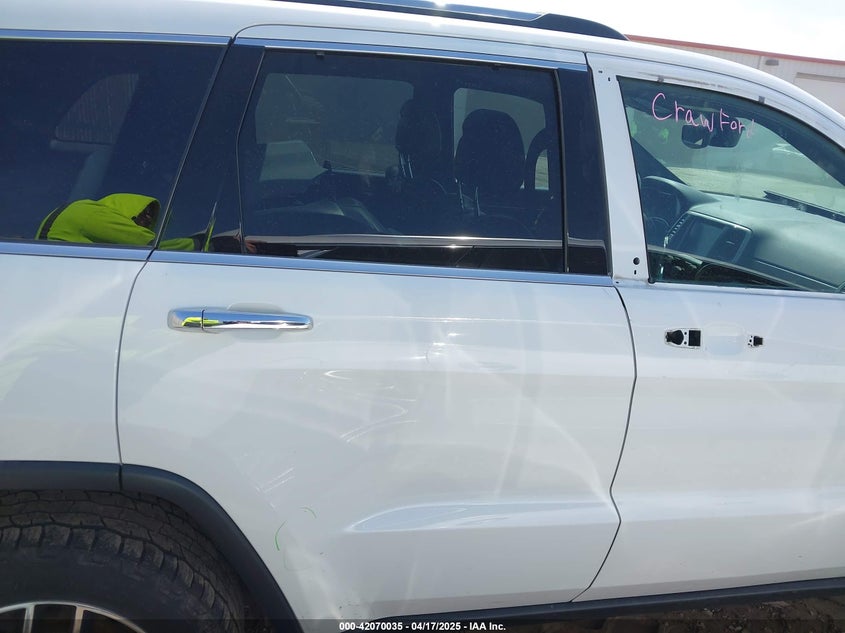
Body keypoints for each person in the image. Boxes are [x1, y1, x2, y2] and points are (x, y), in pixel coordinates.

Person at [36, 193, 201, 250]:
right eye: (145, 212)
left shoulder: (83, 210)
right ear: (128, 205)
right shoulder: (92, 213)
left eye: (151, 216)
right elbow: (150, 245)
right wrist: (201, 244)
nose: (148, 218)